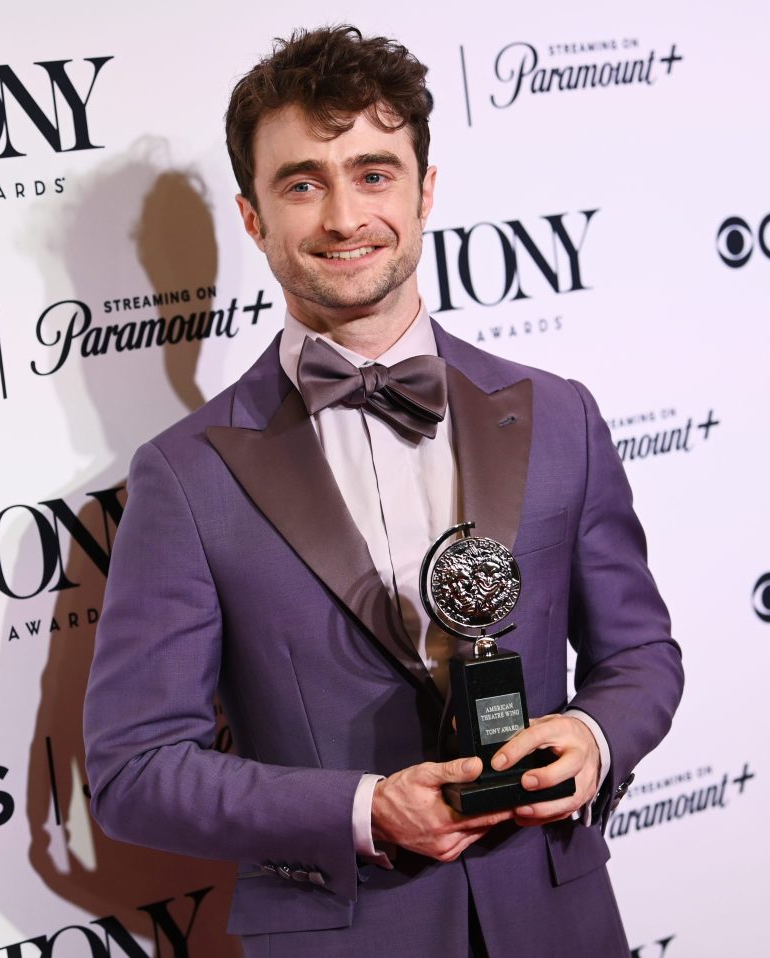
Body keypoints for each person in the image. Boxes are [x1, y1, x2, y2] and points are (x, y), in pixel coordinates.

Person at [83, 25, 683, 957]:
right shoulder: (186, 476)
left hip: (556, 919)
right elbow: (136, 770)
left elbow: (641, 652)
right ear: (253, 219)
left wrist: (594, 737)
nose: (343, 217)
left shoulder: (559, 415)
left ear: (423, 189)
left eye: (373, 173)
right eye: (302, 184)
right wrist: (363, 809)